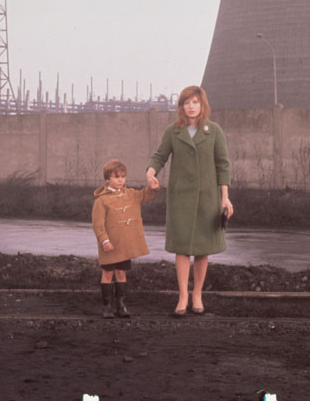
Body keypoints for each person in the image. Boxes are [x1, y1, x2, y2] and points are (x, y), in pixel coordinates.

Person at [145, 85, 233, 316]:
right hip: (180, 199)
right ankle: (183, 295)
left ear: (202, 105)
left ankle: (198, 295)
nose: (191, 106)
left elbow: (223, 165)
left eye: (195, 102)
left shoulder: (214, 131)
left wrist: (225, 199)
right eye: (186, 102)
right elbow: (159, 156)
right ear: (181, 106)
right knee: (182, 249)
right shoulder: (172, 131)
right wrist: (151, 172)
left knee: (203, 249)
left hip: (207, 199)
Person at [92, 158, 158, 318]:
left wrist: (152, 188)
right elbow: (97, 224)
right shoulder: (101, 200)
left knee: (121, 273)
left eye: (123, 176)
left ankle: (121, 306)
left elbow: (144, 195)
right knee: (107, 274)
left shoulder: (131, 195)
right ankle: (107, 306)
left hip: (124, 245)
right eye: (116, 176)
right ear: (107, 179)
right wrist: (104, 240)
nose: (121, 179)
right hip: (109, 245)